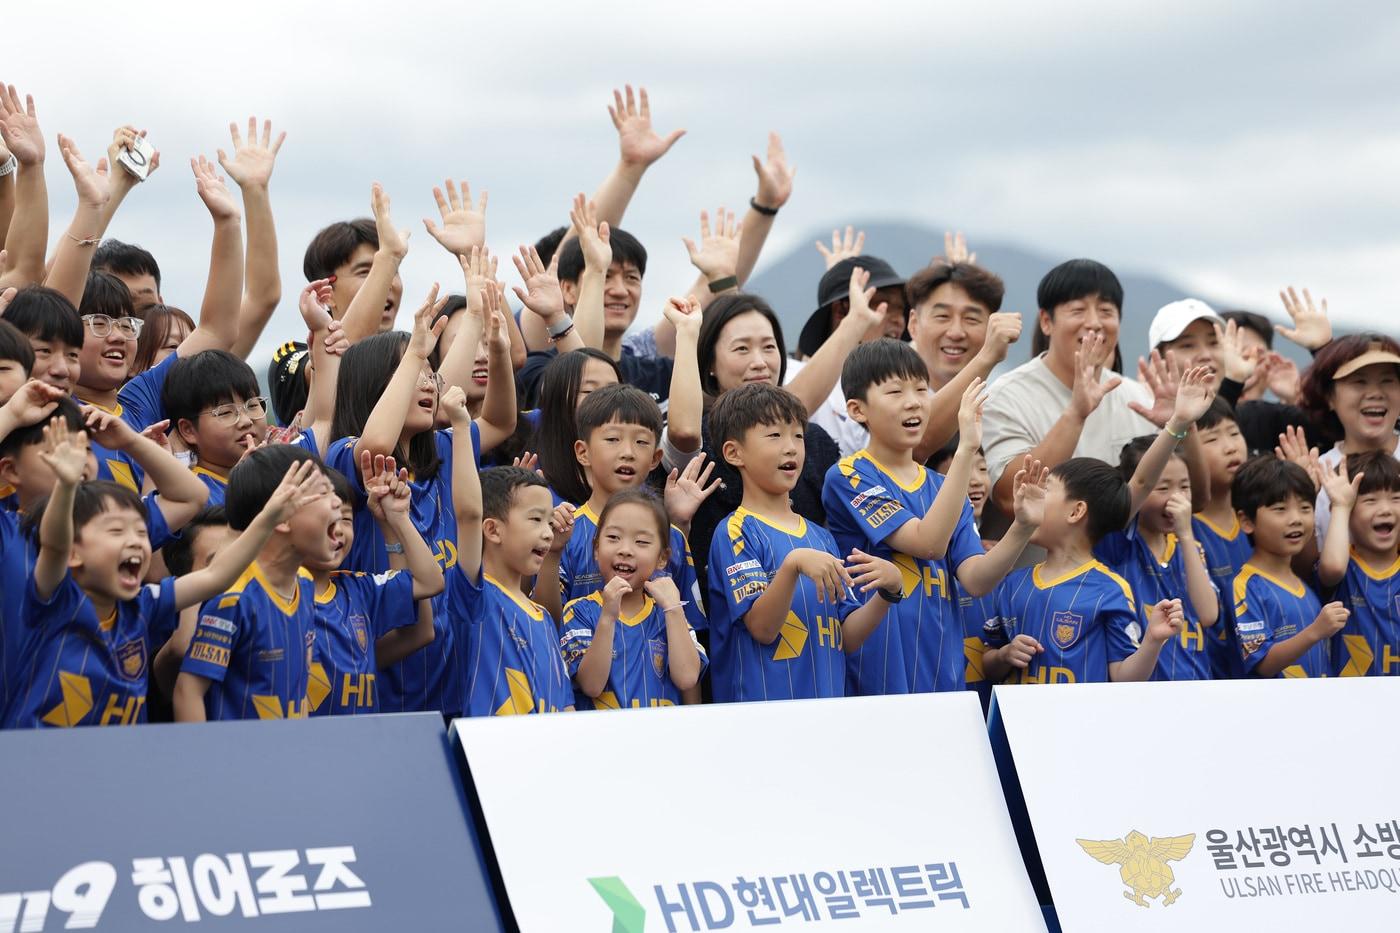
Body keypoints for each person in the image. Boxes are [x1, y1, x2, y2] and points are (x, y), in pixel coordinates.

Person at [9, 426, 319, 728]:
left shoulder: (143, 605)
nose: (135, 541)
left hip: (116, 770)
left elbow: (215, 576)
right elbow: (54, 545)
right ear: (73, 553)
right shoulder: (52, 600)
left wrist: (268, 517)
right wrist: (65, 486)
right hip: (41, 769)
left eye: (141, 532)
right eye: (116, 531)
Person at [324, 287, 511, 716]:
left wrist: (497, 347)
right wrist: (414, 352)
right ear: (374, 386)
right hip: (386, 688)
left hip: (452, 676)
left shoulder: (445, 448)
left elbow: (501, 420)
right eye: (413, 372)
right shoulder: (345, 456)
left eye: (431, 372)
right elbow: (376, 442)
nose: (428, 381)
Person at [822, 340, 1045, 695]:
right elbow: (927, 543)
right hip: (875, 675)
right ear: (857, 409)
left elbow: (976, 579)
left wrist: (1022, 527)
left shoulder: (944, 486)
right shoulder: (849, 475)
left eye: (921, 389)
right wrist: (966, 449)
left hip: (944, 676)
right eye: (895, 391)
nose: (913, 401)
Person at [704, 383, 903, 702]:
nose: (791, 447)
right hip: (763, 719)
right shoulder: (735, 531)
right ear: (733, 452)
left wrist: (888, 593)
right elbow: (763, 628)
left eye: (798, 435)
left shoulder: (821, 537)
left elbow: (845, 637)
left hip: (826, 715)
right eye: (774, 435)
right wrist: (792, 565)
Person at [980, 457, 1188, 685]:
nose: (1032, 499)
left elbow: (1123, 677)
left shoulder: (1110, 589)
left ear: (1076, 511)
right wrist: (1004, 655)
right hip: (1018, 720)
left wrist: (1153, 640)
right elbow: (988, 663)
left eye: (1046, 490)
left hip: (1081, 720)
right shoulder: (1013, 583)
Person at [173, 446, 339, 721]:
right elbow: (187, 692)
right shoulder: (235, 597)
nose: (336, 502)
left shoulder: (305, 583)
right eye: (322, 493)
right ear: (282, 517)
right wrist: (205, 762)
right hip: (240, 759)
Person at [535, 383, 711, 640]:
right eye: (612, 439)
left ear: (655, 458)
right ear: (583, 452)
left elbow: (691, 627)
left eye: (641, 442)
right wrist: (553, 554)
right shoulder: (564, 532)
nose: (627, 452)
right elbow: (545, 622)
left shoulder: (672, 536)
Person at [982, 259, 1156, 517]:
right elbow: (1009, 497)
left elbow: (1182, 496)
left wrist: (1181, 424)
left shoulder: (1137, 398)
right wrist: (1076, 413)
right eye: (1078, 310)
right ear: (1046, 321)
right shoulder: (1008, 394)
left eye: (1106, 311)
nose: (1095, 323)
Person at [305, 460, 443, 715]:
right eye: (324, 518)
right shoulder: (272, 597)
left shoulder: (357, 588)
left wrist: (397, 520)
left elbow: (429, 582)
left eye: (346, 519)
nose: (337, 531)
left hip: (364, 746)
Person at [560, 489, 707, 709]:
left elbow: (687, 678)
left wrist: (674, 609)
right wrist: (608, 616)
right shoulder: (579, 611)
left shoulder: (668, 613)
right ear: (596, 549)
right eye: (613, 538)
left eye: (641, 542)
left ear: (662, 558)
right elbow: (591, 684)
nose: (625, 550)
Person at [1094, 427, 1221, 682]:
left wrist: (1185, 534)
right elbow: (1140, 482)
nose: (1176, 497)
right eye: (1162, 487)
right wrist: (1176, 424)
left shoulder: (1190, 546)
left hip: (1195, 686)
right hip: (1141, 691)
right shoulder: (1118, 540)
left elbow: (1208, 615)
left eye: (1184, 486)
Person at [454, 461, 574, 716]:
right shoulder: (476, 596)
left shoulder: (543, 618)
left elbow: (566, 706)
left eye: (550, 522)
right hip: (492, 752)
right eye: (535, 520)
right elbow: (468, 515)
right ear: (492, 530)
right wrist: (463, 428)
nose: (548, 534)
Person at [1229, 456, 1344, 678]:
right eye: (1281, 509)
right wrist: (1315, 632)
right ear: (1246, 521)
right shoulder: (1246, 587)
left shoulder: (1305, 583)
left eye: (1304, 508)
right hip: (1278, 711)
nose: (1296, 519)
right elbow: (1262, 663)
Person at [904, 257, 1024, 463]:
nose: (956, 332)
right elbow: (915, 446)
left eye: (971, 319)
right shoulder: (888, 391)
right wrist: (987, 357)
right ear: (914, 324)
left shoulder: (1002, 407)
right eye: (942, 316)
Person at [787, 256, 909, 455]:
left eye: (900, 308)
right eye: (883, 305)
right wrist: (856, 321)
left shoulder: (906, 386)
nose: (897, 319)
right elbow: (784, 413)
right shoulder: (794, 373)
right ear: (841, 310)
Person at [1292, 334, 1400, 546]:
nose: (1375, 393)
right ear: (1329, 398)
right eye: (1359, 382)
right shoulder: (1317, 474)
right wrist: (1303, 496)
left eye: (1387, 381)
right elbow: (1305, 572)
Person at [1316, 452, 1400, 676]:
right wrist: (1341, 506)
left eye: (1396, 498)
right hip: (1351, 705)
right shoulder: (1343, 567)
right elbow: (1332, 568)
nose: (1385, 509)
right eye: (1370, 500)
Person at [1191, 397, 1253, 678]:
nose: (1230, 446)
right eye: (1212, 439)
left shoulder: (1256, 520)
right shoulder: (1182, 526)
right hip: (1206, 675)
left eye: (1234, 433)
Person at [162, 350, 271, 505]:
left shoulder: (276, 474)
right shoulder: (191, 499)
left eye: (252, 405)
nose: (246, 421)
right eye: (226, 412)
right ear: (189, 430)